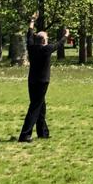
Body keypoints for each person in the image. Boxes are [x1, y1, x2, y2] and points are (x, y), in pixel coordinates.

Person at [18, 13, 68, 143]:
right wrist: (66, 35)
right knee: (35, 107)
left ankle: (43, 133)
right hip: (42, 82)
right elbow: (60, 43)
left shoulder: (31, 48)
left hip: (32, 81)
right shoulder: (47, 49)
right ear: (44, 41)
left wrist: (32, 21)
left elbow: (29, 35)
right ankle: (25, 135)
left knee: (41, 106)